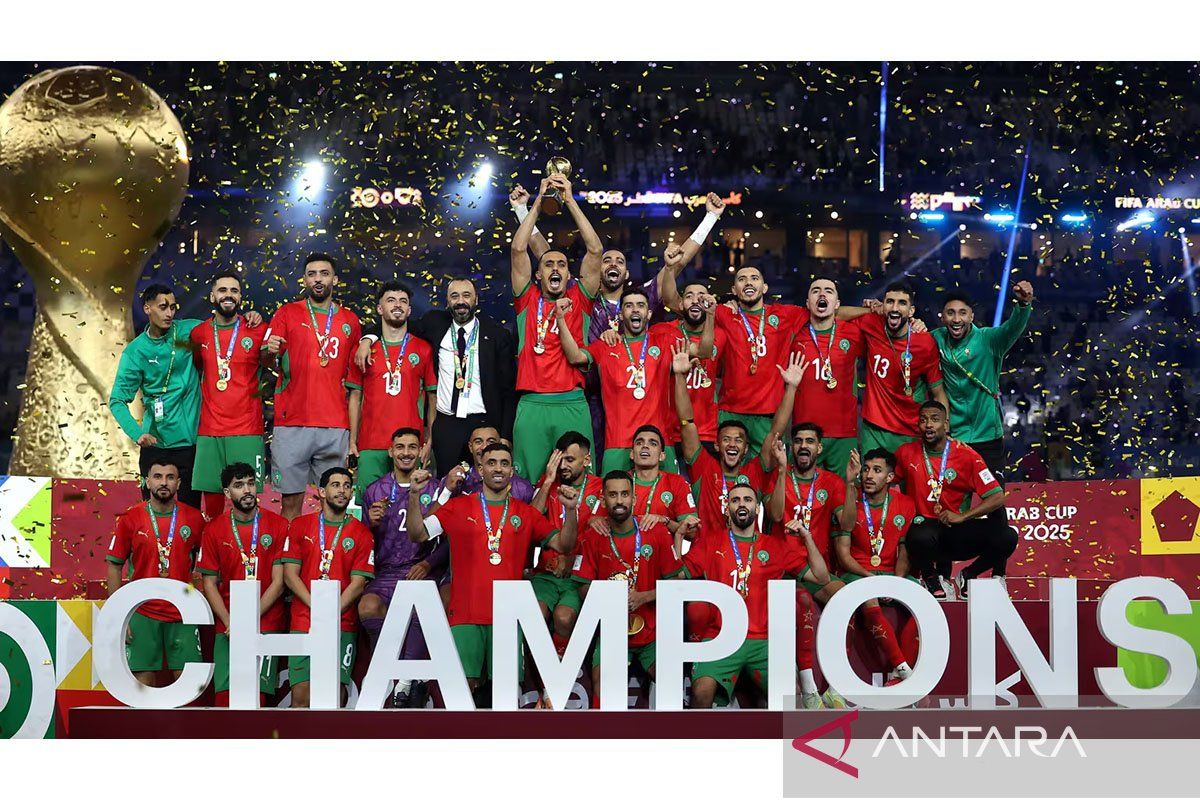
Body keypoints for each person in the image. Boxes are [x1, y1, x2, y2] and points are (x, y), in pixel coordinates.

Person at [405, 442, 580, 697]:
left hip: (507, 618)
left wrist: (571, 510)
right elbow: (417, 533)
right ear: (480, 469)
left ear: (512, 471)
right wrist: (413, 496)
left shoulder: (526, 513)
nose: (498, 468)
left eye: (504, 463)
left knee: (506, 696)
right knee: (462, 693)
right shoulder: (456, 507)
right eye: (492, 463)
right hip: (465, 615)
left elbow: (564, 545)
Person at [110, 283, 261, 508]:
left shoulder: (190, 331)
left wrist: (248, 317)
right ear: (147, 308)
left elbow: (224, 326)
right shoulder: (135, 352)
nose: (169, 313)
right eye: (163, 307)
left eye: (173, 307)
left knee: (190, 514)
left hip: (190, 446)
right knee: (153, 514)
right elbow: (117, 401)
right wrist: (137, 433)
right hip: (155, 445)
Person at [684, 484, 830, 709]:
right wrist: (678, 535)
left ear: (757, 508)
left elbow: (822, 577)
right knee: (701, 694)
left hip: (764, 640)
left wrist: (806, 537)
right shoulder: (710, 542)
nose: (742, 504)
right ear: (727, 508)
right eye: (735, 500)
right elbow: (675, 575)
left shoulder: (775, 546)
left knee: (791, 696)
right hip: (720, 637)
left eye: (748, 499)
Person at [355, 276, 517, 475]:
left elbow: (508, 390)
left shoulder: (496, 334)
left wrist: (505, 435)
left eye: (466, 295)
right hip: (447, 425)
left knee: (486, 481)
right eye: (454, 296)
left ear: (476, 300)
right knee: (446, 483)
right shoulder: (435, 323)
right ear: (447, 301)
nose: (460, 301)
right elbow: (395, 322)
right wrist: (368, 338)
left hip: (484, 424)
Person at [557, 286, 714, 473]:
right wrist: (560, 320)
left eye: (640, 305)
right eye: (629, 306)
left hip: (659, 442)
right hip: (617, 445)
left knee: (661, 493)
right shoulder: (606, 345)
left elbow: (704, 351)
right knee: (614, 492)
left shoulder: (665, 341)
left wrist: (710, 315)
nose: (635, 310)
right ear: (621, 315)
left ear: (648, 314)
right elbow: (575, 357)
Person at [509, 174, 602, 480]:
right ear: (537, 275)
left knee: (580, 482)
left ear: (569, 275)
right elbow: (518, 250)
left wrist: (570, 200)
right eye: (548, 264)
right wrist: (538, 202)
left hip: (571, 402)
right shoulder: (527, 299)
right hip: (532, 402)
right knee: (529, 482)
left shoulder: (580, 298)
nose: (556, 268)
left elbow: (595, 251)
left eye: (562, 264)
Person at [572, 471, 685, 708]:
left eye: (625, 494)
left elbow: (677, 585)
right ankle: (606, 731)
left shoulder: (656, 532)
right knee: (601, 682)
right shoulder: (592, 537)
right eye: (613, 495)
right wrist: (610, 599)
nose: (619, 500)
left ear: (634, 498)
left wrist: (645, 596)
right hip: (612, 632)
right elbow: (582, 588)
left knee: (672, 682)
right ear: (603, 500)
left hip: (652, 631)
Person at [263, 254, 362, 520]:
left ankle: (324, 550)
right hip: (291, 422)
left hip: (335, 425)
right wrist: (268, 350)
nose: (318, 279)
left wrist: (353, 438)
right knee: (290, 504)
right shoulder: (287, 313)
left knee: (333, 506)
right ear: (305, 280)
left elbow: (356, 384)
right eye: (312, 274)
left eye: (324, 273)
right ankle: (290, 548)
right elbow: (265, 359)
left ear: (335, 279)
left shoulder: (351, 321)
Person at [672, 341, 804, 537]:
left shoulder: (755, 471)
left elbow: (775, 431)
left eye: (739, 440)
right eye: (726, 439)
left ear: (746, 448)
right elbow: (686, 422)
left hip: (748, 552)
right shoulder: (704, 467)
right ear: (717, 445)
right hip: (710, 552)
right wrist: (679, 377)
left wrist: (791, 388)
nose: (732, 444)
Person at [359, 427, 450, 708]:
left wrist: (428, 562)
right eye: (400, 447)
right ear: (391, 452)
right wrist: (369, 524)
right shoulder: (375, 491)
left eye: (412, 447)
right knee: (368, 607)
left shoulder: (436, 490)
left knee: (419, 609)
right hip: (386, 573)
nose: (406, 453)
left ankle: (406, 683)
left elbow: (451, 537)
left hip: (422, 570)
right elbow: (360, 540)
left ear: (421, 451)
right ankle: (388, 669)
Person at [894, 401, 1017, 600]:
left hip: (956, 531)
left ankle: (968, 574)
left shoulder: (967, 455)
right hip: (924, 532)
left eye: (935, 419)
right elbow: (888, 480)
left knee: (1008, 537)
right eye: (923, 420)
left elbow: (997, 497)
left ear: (946, 425)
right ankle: (931, 579)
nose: (928, 425)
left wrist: (963, 516)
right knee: (918, 533)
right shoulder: (905, 453)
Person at [104, 459, 205, 686]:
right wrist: (118, 614)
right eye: (158, 477)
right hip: (142, 611)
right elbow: (114, 566)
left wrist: (199, 600)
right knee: (142, 684)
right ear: (147, 482)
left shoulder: (194, 518)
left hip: (183, 611)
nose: (164, 482)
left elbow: (207, 564)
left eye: (170, 477)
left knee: (189, 682)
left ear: (179, 483)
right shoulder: (130, 518)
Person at [198, 461, 290, 706]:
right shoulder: (213, 530)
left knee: (257, 698)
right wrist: (231, 622)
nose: (247, 490)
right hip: (228, 625)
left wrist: (247, 621)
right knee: (225, 697)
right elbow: (209, 583)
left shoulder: (279, 525)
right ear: (227, 493)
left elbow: (279, 582)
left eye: (250, 483)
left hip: (266, 622)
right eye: (239, 485)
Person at [281, 467, 374, 708]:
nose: (342, 490)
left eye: (347, 486)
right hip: (304, 621)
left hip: (342, 623)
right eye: (335, 485)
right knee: (301, 697)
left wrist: (330, 613)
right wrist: (317, 608)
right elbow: (290, 576)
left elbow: (358, 584)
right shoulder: (300, 526)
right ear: (322, 492)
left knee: (333, 700)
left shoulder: (362, 533)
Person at [932, 281, 1034, 483]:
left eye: (962, 313)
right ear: (942, 317)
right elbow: (910, 342)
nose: (956, 319)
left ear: (971, 316)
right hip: (954, 437)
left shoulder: (989, 340)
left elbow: (1012, 328)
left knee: (994, 497)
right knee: (957, 498)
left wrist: (1024, 304)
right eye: (950, 313)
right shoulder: (935, 339)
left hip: (988, 436)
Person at [833, 449, 918, 685]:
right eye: (866, 469)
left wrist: (896, 582)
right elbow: (843, 555)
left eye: (877, 470)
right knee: (868, 596)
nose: (868, 475)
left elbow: (904, 551)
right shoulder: (849, 501)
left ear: (890, 477)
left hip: (891, 573)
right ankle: (903, 669)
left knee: (923, 599)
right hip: (856, 573)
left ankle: (896, 675)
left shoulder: (905, 504)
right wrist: (871, 578)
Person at [346, 281, 437, 499]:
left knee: (411, 507)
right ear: (380, 308)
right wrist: (352, 441)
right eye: (391, 300)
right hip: (371, 444)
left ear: (409, 310)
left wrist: (429, 441)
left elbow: (433, 399)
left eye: (403, 301)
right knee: (371, 509)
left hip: (410, 446)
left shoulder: (423, 349)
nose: (397, 305)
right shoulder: (363, 350)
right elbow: (355, 397)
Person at [190, 271, 269, 519]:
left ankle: (247, 544)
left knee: (247, 500)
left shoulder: (257, 329)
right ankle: (213, 544)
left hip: (247, 428)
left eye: (234, 291)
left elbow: (272, 362)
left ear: (241, 297)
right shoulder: (199, 333)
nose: (228, 295)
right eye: (222, 290)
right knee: (212, 505)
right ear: (212, 296)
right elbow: (199, 367)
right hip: (210, 429)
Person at [529, 432, 604, 658]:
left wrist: (571, 560)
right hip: (546, 573)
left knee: (564, 617)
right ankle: (537, 673)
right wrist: (548, 481)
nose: (563, 466)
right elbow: (530, 521)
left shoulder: (601, 488)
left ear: (587, 460)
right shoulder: (548, 484)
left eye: (570, 460)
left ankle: (561, 670)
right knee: (535, 615)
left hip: (578, 575)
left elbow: (602, 535)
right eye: (559, 460)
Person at [859, 281, 949, 456]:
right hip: (874, 428)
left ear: (911, 310)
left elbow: (938, 393)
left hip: (910, 431)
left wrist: (944, 431)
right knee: (870, 474)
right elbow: (836, 313)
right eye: (890, 302)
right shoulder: (871, 323)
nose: (895, 308)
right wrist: (869, 310)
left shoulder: (924, 343)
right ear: (883, 305)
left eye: (902, 303)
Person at [788, 278, 867, 475]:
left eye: (829, 291)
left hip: (843, 433)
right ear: (807, 304)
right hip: (804, 434)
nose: (822, 294)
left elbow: (884, 322)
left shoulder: (854, 332)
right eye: (815, 290)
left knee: (845, 490)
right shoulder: (794, 334)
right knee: (801, 490)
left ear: (837, 304)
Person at [766, 423, 855, 586]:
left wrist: (850, 483)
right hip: (782, 562)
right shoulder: (778, 475)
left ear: (819, 448)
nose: (803, 446)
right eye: (798, 441)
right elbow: (776, 515)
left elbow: (847, 525)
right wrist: (782, 469)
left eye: (810, 441)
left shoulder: (832, 482)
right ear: (792, 447)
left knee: (841, 592)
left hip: (816, 564)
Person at [659, 280, 728, 457]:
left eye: (701, 296)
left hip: (706, 431)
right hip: (669, 431)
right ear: (681, 304)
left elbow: (705, 352)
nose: (696, 300)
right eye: (689, 296)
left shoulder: (720, 334)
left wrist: (712, 315)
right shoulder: (665, 332)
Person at [451, 424, 536, 503]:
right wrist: (447, 490)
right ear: (470, 447)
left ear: (500, 444)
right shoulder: (456, 480)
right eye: (478, 442)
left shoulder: (522, 487)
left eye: (491, 442)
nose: (484, 447)